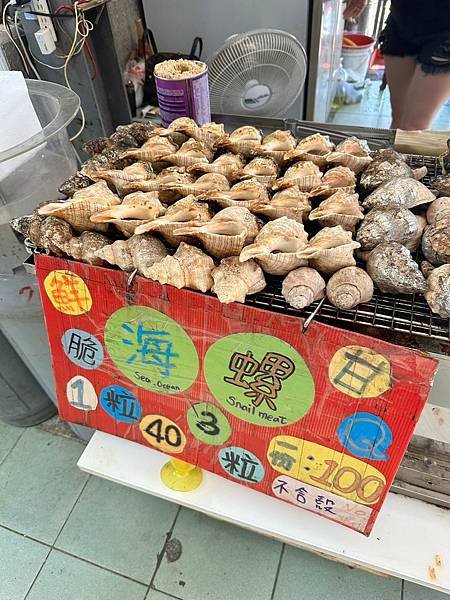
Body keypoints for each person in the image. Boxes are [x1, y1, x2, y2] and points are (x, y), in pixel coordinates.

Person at [344, 0, 450, 130]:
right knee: (398, 119)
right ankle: (392, 151)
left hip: (445, 30)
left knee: (413, 127)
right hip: (402, 18)